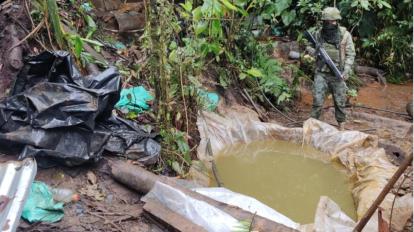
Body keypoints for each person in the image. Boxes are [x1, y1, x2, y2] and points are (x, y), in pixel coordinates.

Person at [306, 7, 356, 130]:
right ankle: (312, 127)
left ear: (337, 21)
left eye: (332, 21)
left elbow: (351, 54)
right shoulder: (318, 34)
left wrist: (346, 70)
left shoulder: (344, 35)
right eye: (327, 21)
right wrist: (315, 51)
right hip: (321, 73)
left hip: (337, 73)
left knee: (340, 103)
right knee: (317, 101)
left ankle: (342, 129)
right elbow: (308, 46)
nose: (329, 24)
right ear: (323, 21)